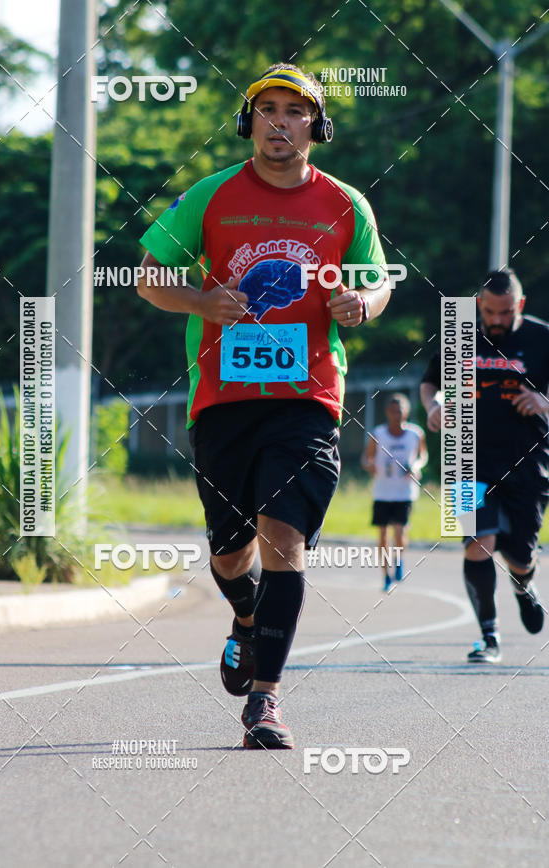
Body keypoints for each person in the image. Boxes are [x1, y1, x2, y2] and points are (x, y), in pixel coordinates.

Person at [137, 63, 391, 748]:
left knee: (282, 539)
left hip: (308, 398)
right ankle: (245, 618)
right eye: (268, 109)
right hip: (224, 399)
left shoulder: (345, 204)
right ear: (249, 122)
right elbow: (150, 275)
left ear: (316, 125)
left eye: (296, 110)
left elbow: (377, 282)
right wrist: (199, 299)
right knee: (229, 553)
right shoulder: (213, 196)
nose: (281, 121)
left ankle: (266, 701)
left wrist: (361, 303)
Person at [421, 269, 547, 664]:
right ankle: (488, 637)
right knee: (478, 542)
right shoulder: (458, 336)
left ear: (519, 306)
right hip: (466, 457)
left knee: (519, 555)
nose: (496, 319)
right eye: (490, 311)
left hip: (527, 462)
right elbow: (429, 383)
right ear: (479, 305)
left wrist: (545, 402)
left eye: (505, 312)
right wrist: (434, 406)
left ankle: (524, 584)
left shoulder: (542, 337)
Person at [361, 393, 427, 591]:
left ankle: (399, 559)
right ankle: (386, 576)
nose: (396, 415)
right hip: (382, 492)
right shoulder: (378, 433)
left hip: (404, 492)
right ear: (386, 413)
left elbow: (423, 455)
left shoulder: (416, 433)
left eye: (399, 411)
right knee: (382, 535)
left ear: (406, 412)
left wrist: (416, 466)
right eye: (392, 411)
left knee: (399, 531)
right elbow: (366, 458)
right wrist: (369, 466)